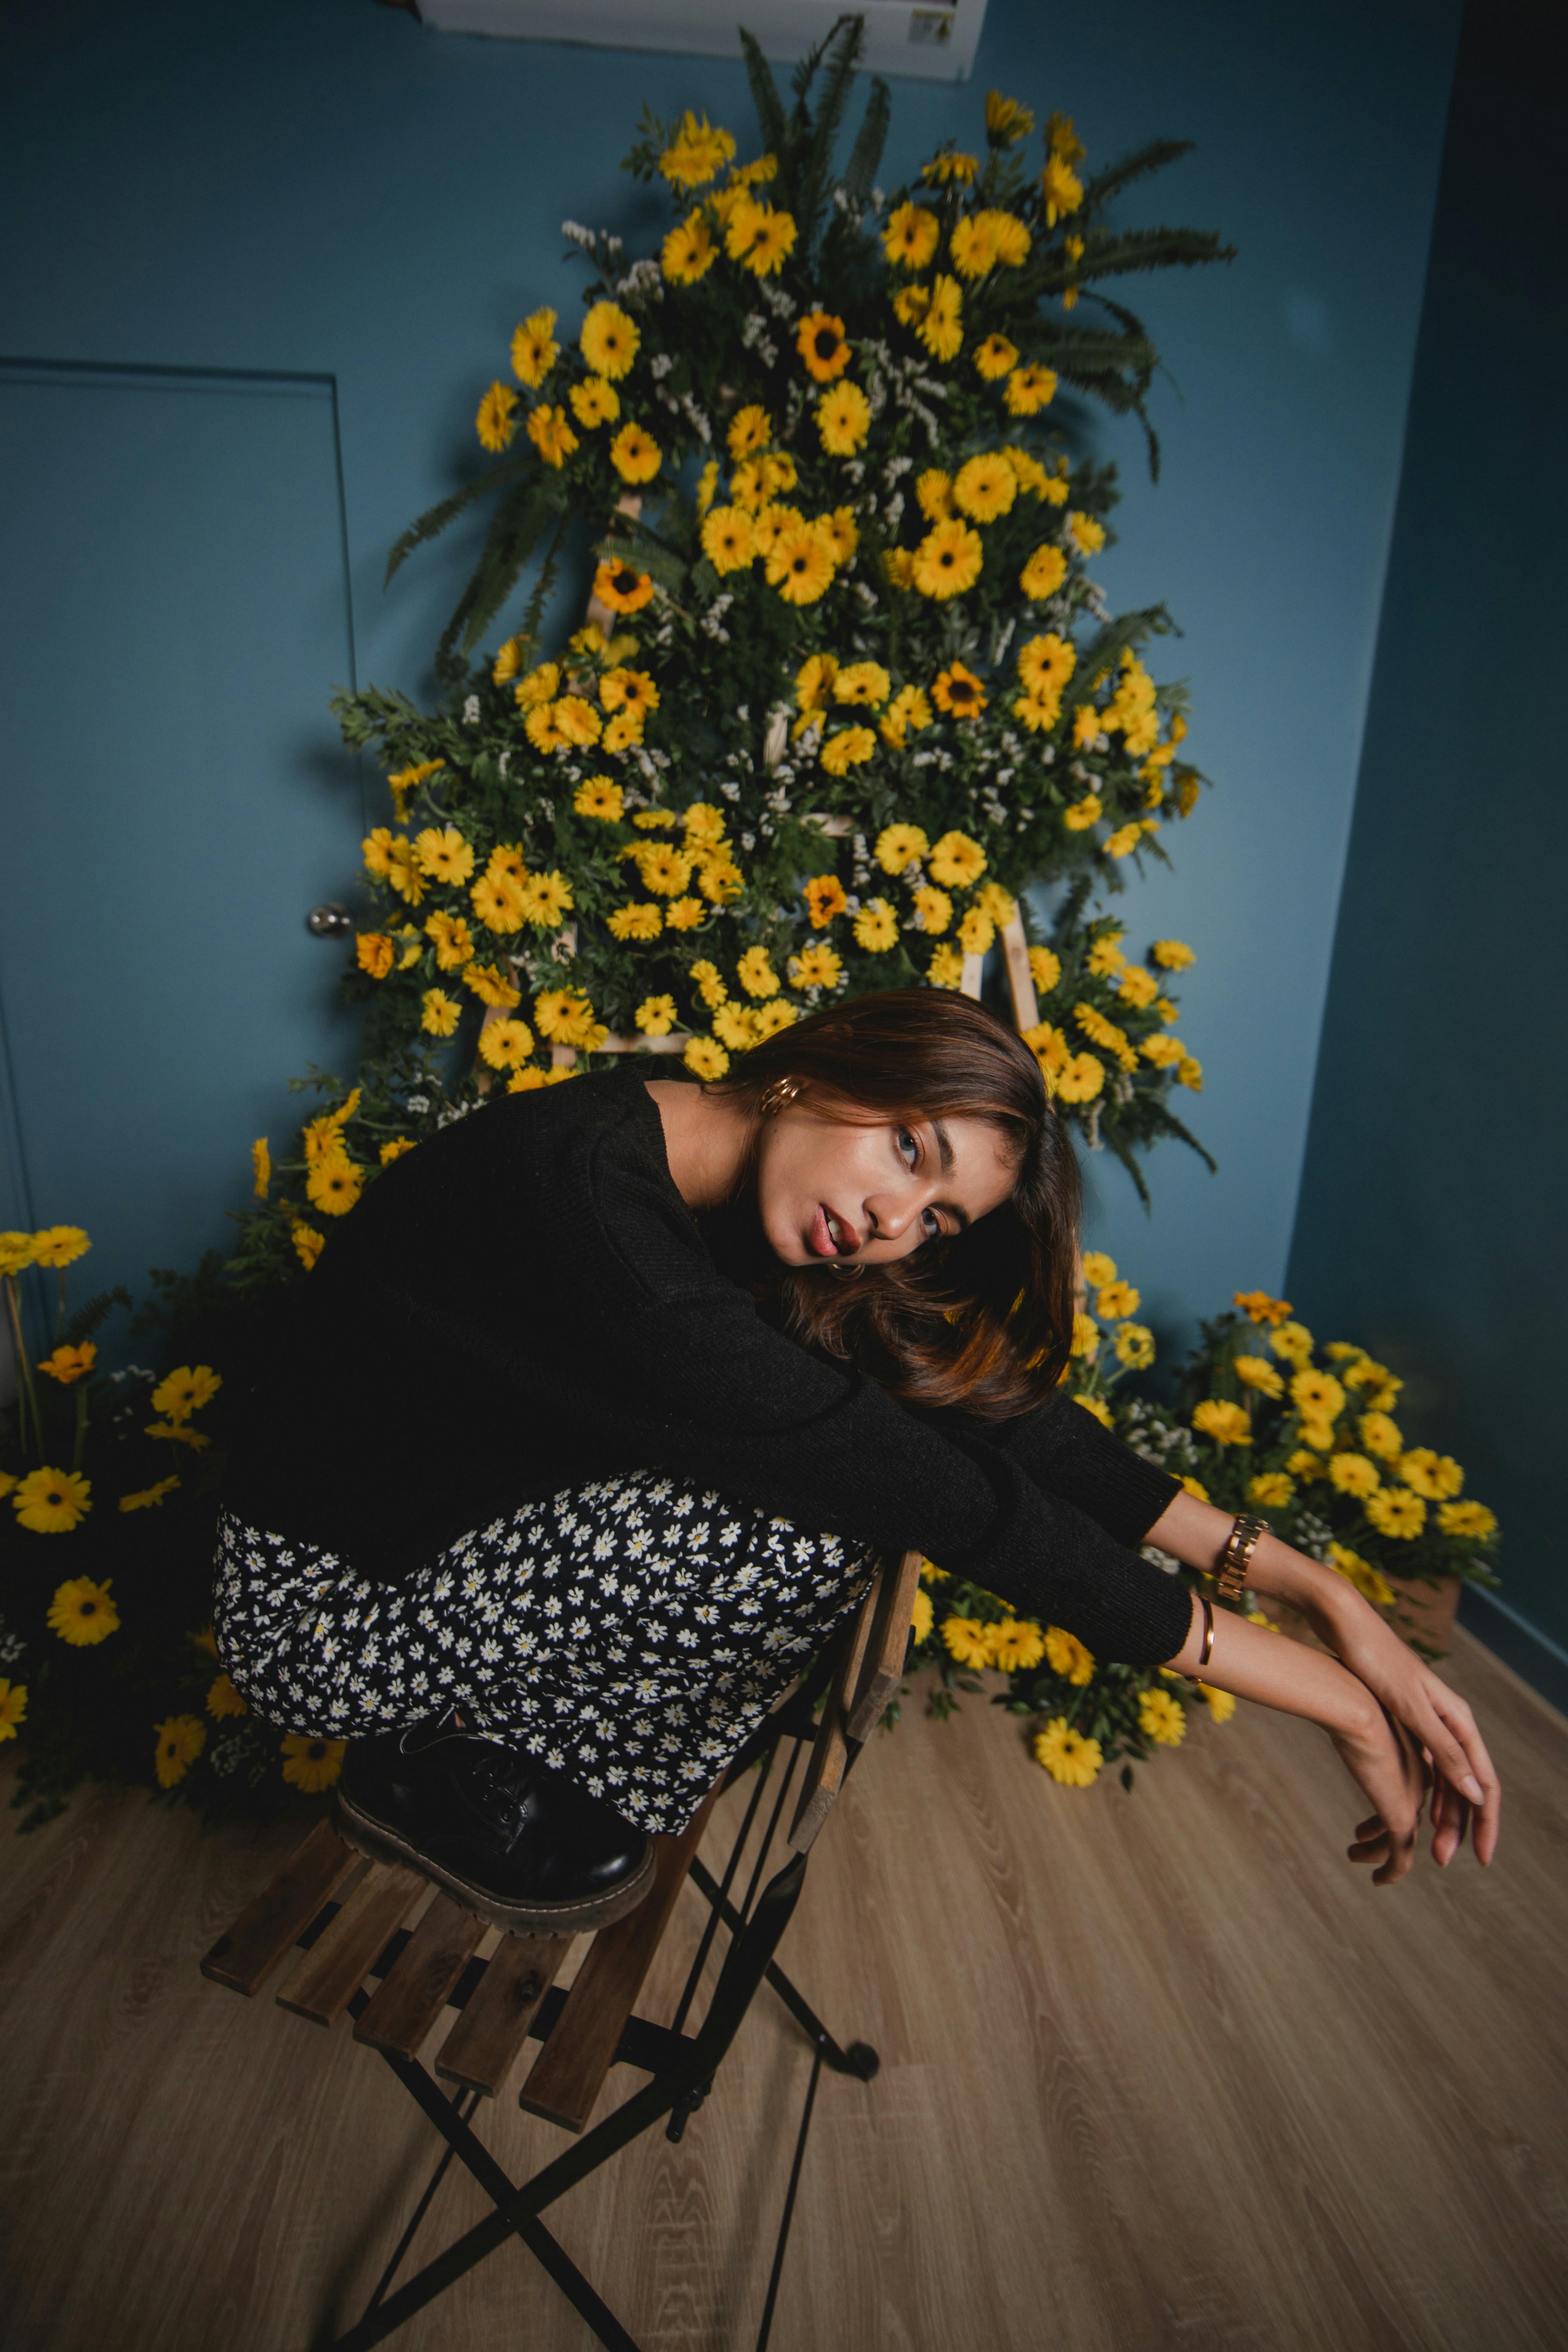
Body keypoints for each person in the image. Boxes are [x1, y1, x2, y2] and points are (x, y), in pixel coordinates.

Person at [216, 990, 1500, 1933]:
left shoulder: (718, 1169)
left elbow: (1002, 1415)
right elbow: (939, 1493)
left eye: (936, 1218)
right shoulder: (593, 1210)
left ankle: (519, 1744)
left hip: (458, 1536)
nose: (895, 1222)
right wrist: (1329, 1697)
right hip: (323, 1616)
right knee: (828, 1508)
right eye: (910, 1151)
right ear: (825, 1064)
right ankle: (447, 1763)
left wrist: (1314, 1590)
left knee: (882, 1442)